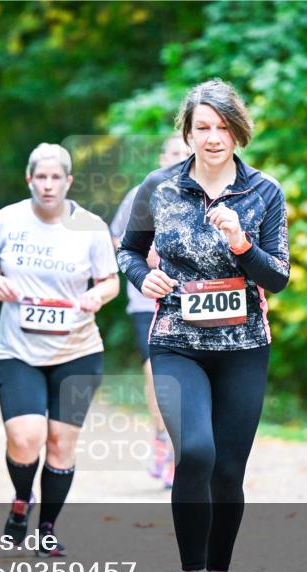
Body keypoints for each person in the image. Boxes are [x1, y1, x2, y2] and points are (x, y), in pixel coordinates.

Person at [117, 79, 290, 572]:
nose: (212, 138)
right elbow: (127, 251)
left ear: (238, 131)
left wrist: (242, 242)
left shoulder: (264, 192)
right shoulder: (159, 187)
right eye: (202, 128)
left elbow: (279, 277)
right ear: (187, 133)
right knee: (195, 452)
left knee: (227, 471)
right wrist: (144, 277)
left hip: (243, 346)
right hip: (176, 342)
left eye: (222, 127)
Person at [0, 143, 119, 558]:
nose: (49, 185)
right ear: (29, 179)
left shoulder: (90, 227)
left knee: (60, 443)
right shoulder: (7, 220)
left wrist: (98, 297)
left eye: (57, 177)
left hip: (78, 350)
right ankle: (22, 500)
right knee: (25, 437)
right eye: (41, 177)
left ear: (69, 182)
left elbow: (110, 280)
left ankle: (49, 528)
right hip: (18, 349)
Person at [109, 135, 191, 490]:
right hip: (148, 300)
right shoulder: (143, 192)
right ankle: (163, 440)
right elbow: (117, 240)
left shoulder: (202, 194)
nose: (179, 159)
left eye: (185, 154)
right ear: (162, 157)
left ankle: (184, 446)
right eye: (173, 153)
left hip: (192, 300)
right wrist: (148, 255)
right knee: (156, 373)